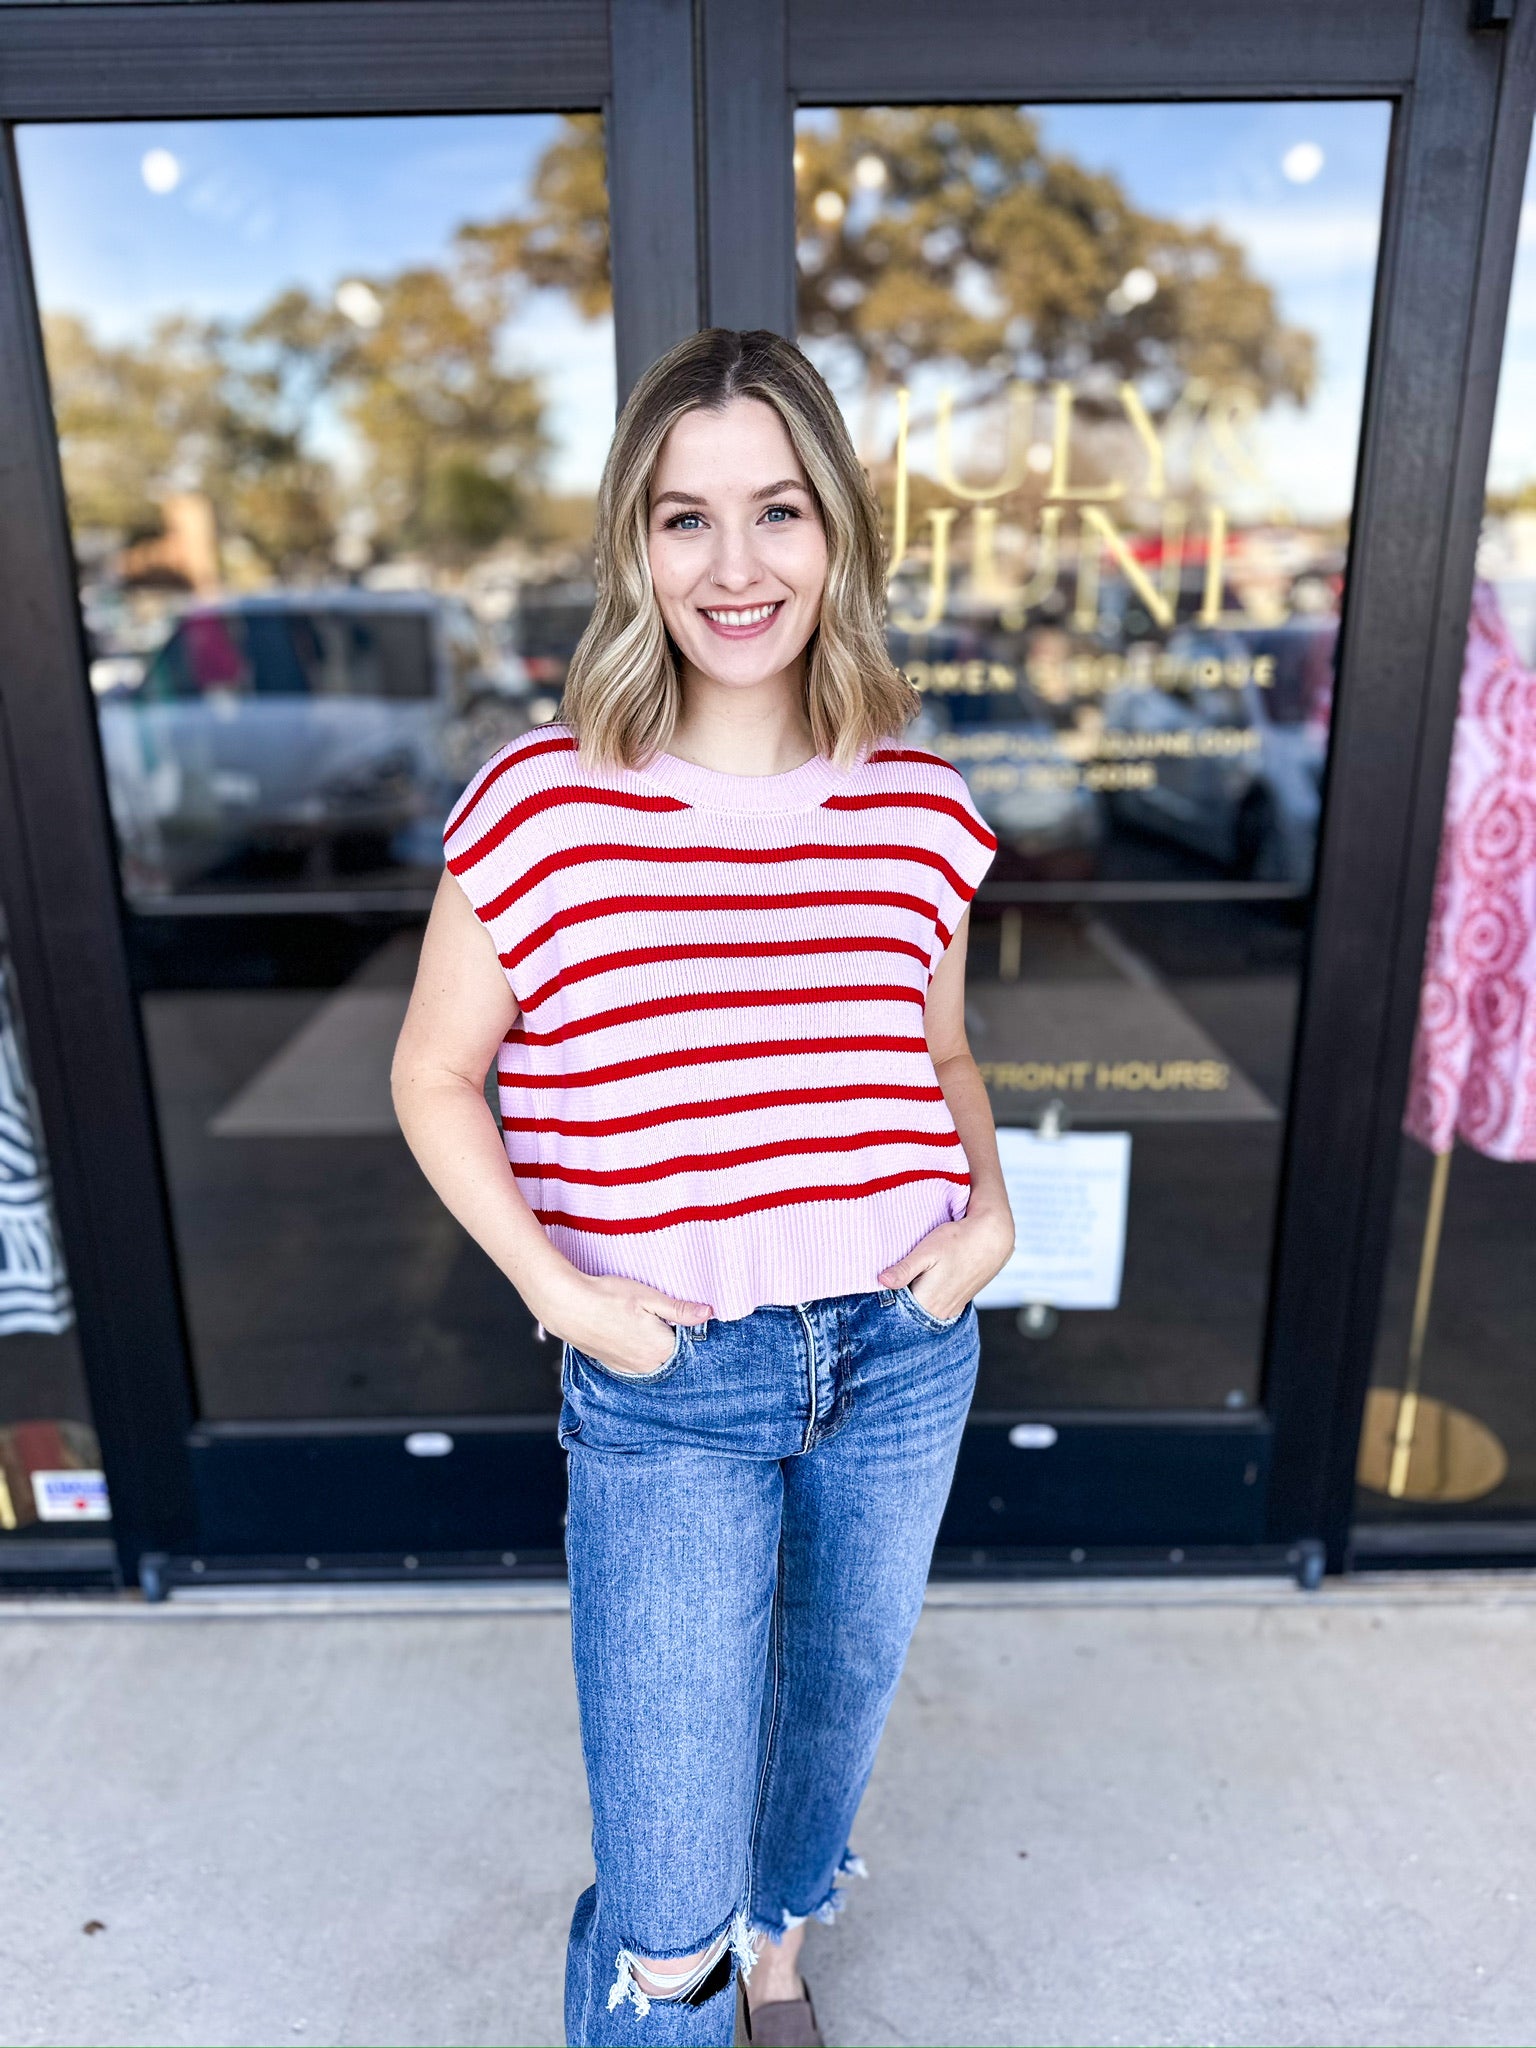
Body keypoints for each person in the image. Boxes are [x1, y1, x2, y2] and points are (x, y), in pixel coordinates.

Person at [392, 328, 1014, 2048]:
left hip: (900, 1348)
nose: (735, 567)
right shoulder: (540, 800)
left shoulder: (922, 805)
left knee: (827, 1733)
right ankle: (687, 1974)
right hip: (671, 1377)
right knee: (661, 1895)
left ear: (840, 538)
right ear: (633, 544)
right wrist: (564, 1296)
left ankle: (787, 1950)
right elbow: (435, 1074)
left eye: (780, 512)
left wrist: (988, 1214)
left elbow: (941, 1055)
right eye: (686, 519)